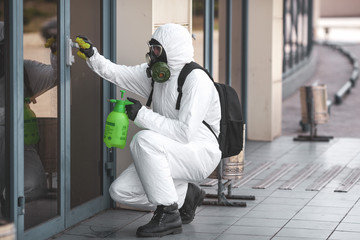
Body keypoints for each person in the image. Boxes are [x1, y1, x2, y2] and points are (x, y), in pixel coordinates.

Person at [76, 23, 221, 237]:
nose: (152, 55)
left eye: (157, 50)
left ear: (171, 50)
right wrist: (92, 55)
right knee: (120, 191)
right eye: (151, 48)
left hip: (200, 152)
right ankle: (187, 194)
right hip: (169, 151)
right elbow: (118, 73)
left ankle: (169, 214)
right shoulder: (157, 77)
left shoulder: (196, 80)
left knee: (143, 140)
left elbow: (184, 133)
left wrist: (141, 114)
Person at [0, 21, 58, 218]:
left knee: (32, 187)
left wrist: (56, 51)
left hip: (21, 148)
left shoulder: (23, 70)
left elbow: (55, 76)